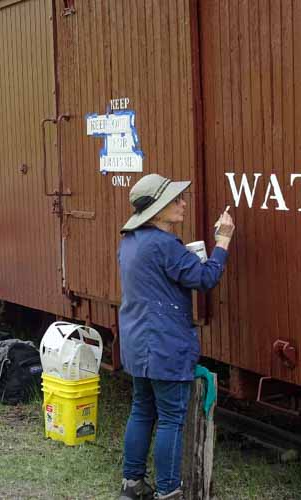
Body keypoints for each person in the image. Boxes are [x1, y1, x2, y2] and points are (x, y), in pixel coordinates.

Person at [116, 174, 234, 500]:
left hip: (137, 342)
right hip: (165, 345)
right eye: (174, 200)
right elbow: (205, 278)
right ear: (156, 211)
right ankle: (170, 492)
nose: (183, 203)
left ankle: (132, 484)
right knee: (171, 419)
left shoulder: (129, 242)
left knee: (142, 410)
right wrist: (223, 240)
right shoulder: (165, 245)